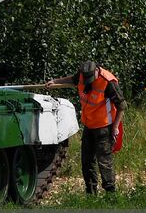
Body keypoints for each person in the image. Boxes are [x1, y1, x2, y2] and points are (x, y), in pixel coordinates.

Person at [44, 60, 125, 195]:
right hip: (89, 126)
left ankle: (111, 193)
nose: (87, 81)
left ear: (96, 71)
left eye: (90, 78)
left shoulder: (108, 81)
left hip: (104, 127)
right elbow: (72, 80)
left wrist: (115, 128)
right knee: (87, 162)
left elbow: (122, 105)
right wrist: (55, 82)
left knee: (104, 162)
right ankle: (91, 192)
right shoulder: (82, 75)